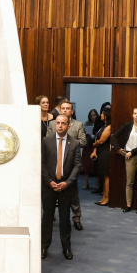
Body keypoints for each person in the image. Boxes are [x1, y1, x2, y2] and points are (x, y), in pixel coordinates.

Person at [41, 114, 81, 261]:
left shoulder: (75, 143)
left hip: (66, 187)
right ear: (54, 124)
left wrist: (67, 183)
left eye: (63, 123)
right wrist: (49, 181)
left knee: (65, 219)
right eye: (58, 123)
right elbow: (42, 164)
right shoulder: (46, 141)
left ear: (68, 126)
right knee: (47, 218)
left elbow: (77, 165)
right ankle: (44, 246)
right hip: (49, 186)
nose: (60, 126)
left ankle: (66, 248)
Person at [47, 100, 87, 230]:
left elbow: (83, 141)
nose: (65, 110)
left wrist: (69, 145)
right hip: (55, 164)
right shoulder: (53, 124)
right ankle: (51, 216)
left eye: (67, 108)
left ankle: (76, 218)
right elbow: (47, 142)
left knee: (73, 194)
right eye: (63, 108)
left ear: (72, 111)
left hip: (71, 163)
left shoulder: (78, 124)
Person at [112, 106, 137, 213]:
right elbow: (113, 136)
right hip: (128, 157)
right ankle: (128, 205)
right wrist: (118, 149)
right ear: (132, 115)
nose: (136, 115)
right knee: (129, 182)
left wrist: (132, 152)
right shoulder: (128, 126)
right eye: (135, 113)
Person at [91, 106, 113, 206]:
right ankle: (103, 197)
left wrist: (94, 144)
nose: (101, 115)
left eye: (103, 113)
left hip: (106, 153)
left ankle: (107, 198)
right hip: (101, 152)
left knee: (106, 177)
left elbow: (101, 140)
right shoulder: (103, 126)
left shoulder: (109, 127)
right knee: (103, 177)